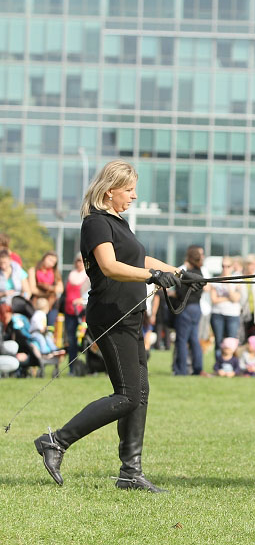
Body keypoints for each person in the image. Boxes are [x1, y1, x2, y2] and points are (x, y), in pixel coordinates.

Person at [33, 160, 190, 492]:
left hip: (130, 314)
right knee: (128, 395)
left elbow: (139, 260)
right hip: (111, 314)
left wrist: (178, 273)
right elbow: (110, 266)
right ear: (110, 191)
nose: (134, 195)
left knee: (140, 394)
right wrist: (153, 277)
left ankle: (130, 473)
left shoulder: (119, 222)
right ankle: (56, 441)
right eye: (130, 189)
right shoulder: (95, 223)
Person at [172, 245, 206, 376]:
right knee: (194, 339)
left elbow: (180, 292)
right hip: (197, 308)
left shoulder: (187, 274)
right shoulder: (200, 273)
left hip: (186, 308)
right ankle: (198, 368)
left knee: (181, 340)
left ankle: (181, 370)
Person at [209, 256, 243, 363]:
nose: (225, 268)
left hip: (232, 314)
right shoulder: (215, 280)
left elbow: (236, 298)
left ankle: (231, 365)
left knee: (231, 342)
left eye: (228, 266)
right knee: (219, 341)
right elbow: (214, 300)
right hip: (217, 314)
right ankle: (219, 365)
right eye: (223, 266)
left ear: (232, 267)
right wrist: (228, 298)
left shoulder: (237, 280)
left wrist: (228, 284)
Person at [63, 253, 90, 376]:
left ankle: (91, 366)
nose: (79, 263)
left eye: (81, 261)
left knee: (86, 341)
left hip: (83, 313)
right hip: (69, 312)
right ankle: (72, 368)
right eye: (77, 260)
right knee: (71, 341)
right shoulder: (71, 275)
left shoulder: (88, 277)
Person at [28, 251, 64, 322]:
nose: (51, 263)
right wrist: (46, 293)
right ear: (44, 258)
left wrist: (50, 288)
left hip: (51, 303)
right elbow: (33, 289)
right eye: (50, 260)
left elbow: (60, 288)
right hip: (37, 302)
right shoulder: (33, 270)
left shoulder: (55, 272)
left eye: (54, 262)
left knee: (50, 326)